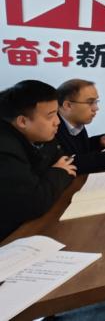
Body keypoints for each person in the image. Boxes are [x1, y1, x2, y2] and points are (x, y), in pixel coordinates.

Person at [0, 80, 76, 240]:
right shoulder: (5, 148)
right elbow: (33, 203)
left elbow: (65, 161)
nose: (58, 121)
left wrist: (51, 175)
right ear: (22, 121)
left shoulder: (38, 134)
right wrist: (58, 172)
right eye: (50, 116)